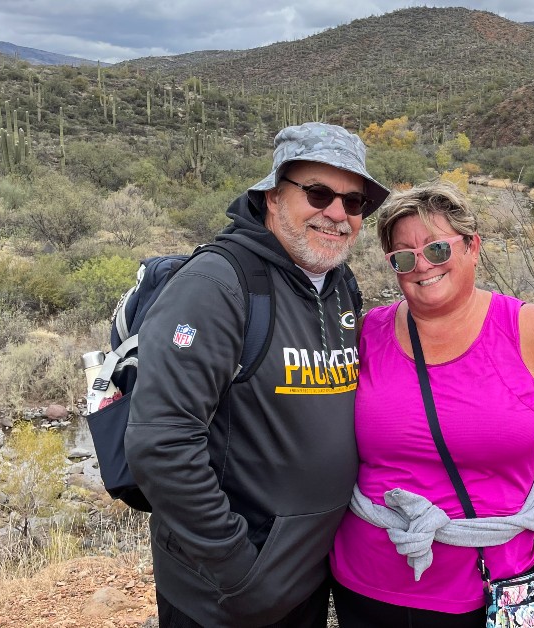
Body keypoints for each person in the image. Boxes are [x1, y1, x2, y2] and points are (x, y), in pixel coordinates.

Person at [330, 182, 534, 627]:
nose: (422, 266)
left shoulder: (526, 332)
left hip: (498, 588)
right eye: (404, 257)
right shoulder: (368, 333)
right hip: (370, 586)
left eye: (437, 249)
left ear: (473, 246)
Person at [125, 122, 390, 627]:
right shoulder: (216, 285)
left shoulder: (339, 285)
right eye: (318, 193)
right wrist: (239, 571)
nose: (336, 214)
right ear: (272, 197)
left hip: (304, 579)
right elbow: (161, 444)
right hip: (227, 596)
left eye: (353, 203)